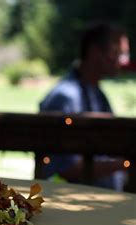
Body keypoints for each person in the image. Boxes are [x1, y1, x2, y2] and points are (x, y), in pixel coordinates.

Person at [39, 23, 130, 191]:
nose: (125, 60)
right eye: (117, 52)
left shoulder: (97, 94)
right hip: (71, 203)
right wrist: (126, 164)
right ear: (95, 51)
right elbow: (66, 169)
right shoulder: (65, 98)